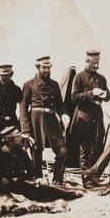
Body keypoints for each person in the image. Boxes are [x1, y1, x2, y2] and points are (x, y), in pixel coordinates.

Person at [0, 126, 82, 201]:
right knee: (38, 194)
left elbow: (30, 168)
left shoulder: (21, 152)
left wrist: (37, 178)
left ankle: (70, 194)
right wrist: (0, 177)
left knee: (44, 188)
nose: (20, 138)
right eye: (17, 137)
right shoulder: (0, 154)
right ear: (9, 140)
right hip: (9, 185)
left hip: (22, 181)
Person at [19, 56, 70, 185]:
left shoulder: (54, 84)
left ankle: (57, 179)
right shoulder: (29, 84)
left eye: (48, 67)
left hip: (51, 119)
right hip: (36, 119)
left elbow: (60, 104)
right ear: (38, 68)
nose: (47, 70)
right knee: (37, 150)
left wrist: (64, 114)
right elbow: (23, 108)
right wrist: (25, 129)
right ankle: (38, 178)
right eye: (44, 67)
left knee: (62, 150)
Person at [70, 50, 110, 188]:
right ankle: (86, 179)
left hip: (97, 116)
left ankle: (94, 176)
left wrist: (105, 95)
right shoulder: (79, 77)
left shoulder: (102, 78)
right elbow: (74, 97)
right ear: (87, 61)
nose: (96, 65)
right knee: (85, 149)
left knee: (98, 146)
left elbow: (108, 96)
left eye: (98, 62)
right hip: (84, 116)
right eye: (93, 62)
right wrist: (91, 93)